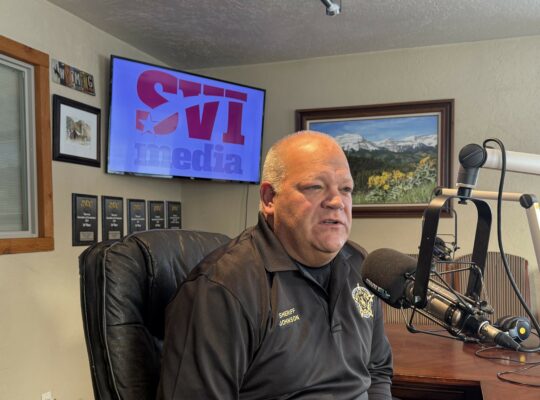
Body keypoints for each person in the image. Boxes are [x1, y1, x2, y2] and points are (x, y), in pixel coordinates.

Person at [157, 131, 393, 399]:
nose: (337, 202)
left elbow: (377, 370)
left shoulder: (360, 265)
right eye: (315, 187)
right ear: (270, 198)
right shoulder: (222, 288)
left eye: (346, 189)